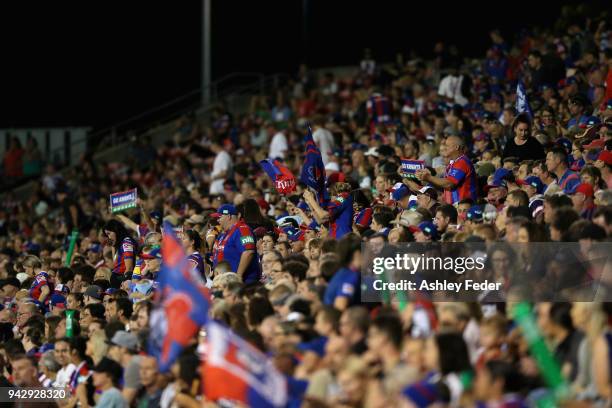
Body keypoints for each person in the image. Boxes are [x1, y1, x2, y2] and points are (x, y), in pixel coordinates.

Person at [415, 135, 478, 204]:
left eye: (447, 145)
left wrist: (428, 177)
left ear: (456, 147)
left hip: (464, 207)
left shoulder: (462, 162)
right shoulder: (453, 163)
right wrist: (427, 177)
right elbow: (444, 185)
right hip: (454, 207)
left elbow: (449, 183)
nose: (445, 148)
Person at [212, 204, 261, 284]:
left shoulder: (242, 229)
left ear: (228, 216)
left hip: (243, 283)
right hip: (226, 282)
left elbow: (248, 252)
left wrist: (238, 277)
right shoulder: (225, 234)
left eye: (219, 217)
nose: (218, 220)